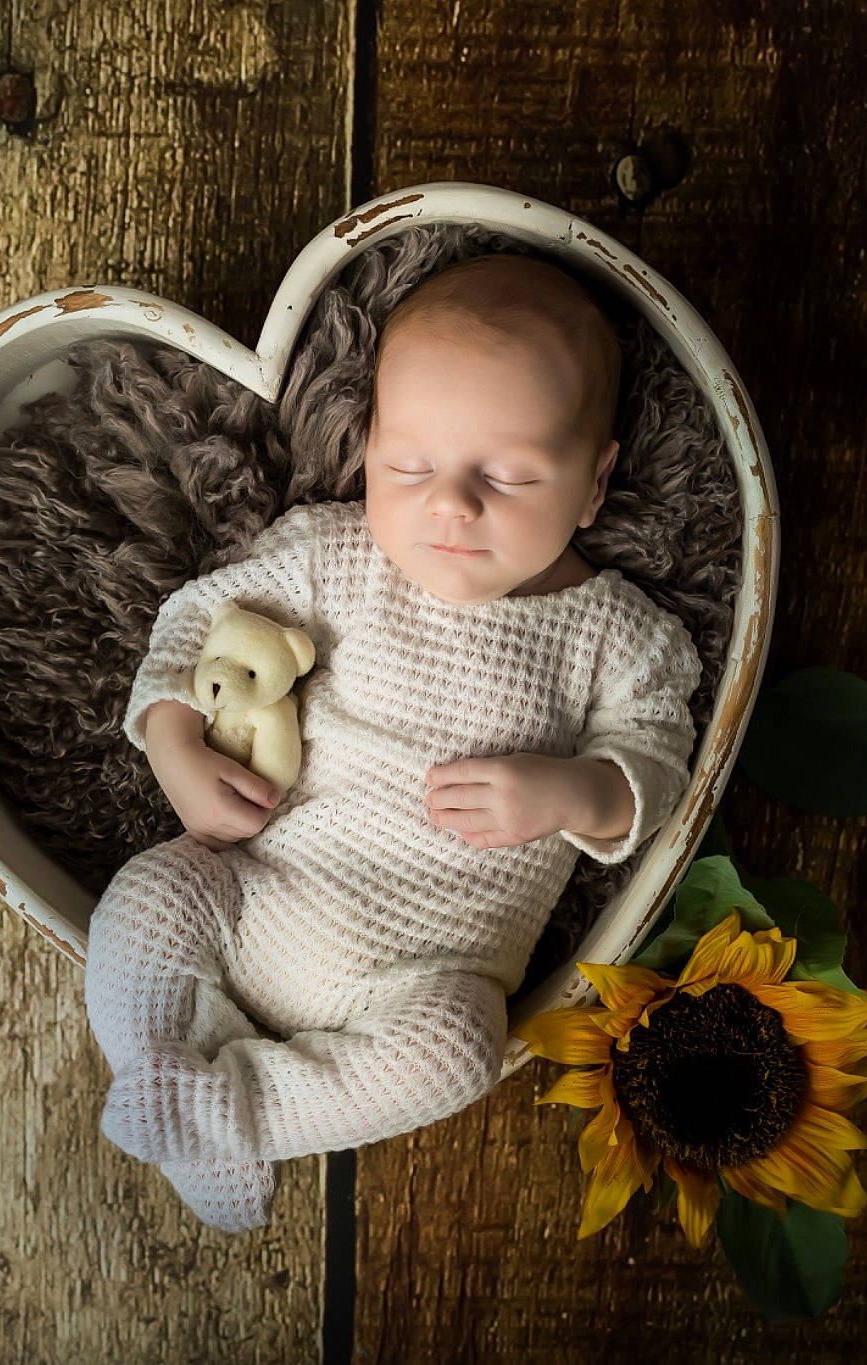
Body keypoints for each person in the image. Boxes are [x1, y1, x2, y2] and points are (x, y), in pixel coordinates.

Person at [83, 253, 703, 1232]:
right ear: (369, 447)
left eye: (508, 475)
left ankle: (233, 1115)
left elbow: (659, 767)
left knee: (461, 1050)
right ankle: (159, 1063)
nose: (450, 505)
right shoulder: (334, 553)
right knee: (147, 898)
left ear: (593, 483)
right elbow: (199, 619)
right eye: (409, 466)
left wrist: (573, 793)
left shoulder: (617, 636)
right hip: (255, 894)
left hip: (422, 979)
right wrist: (173, 743)